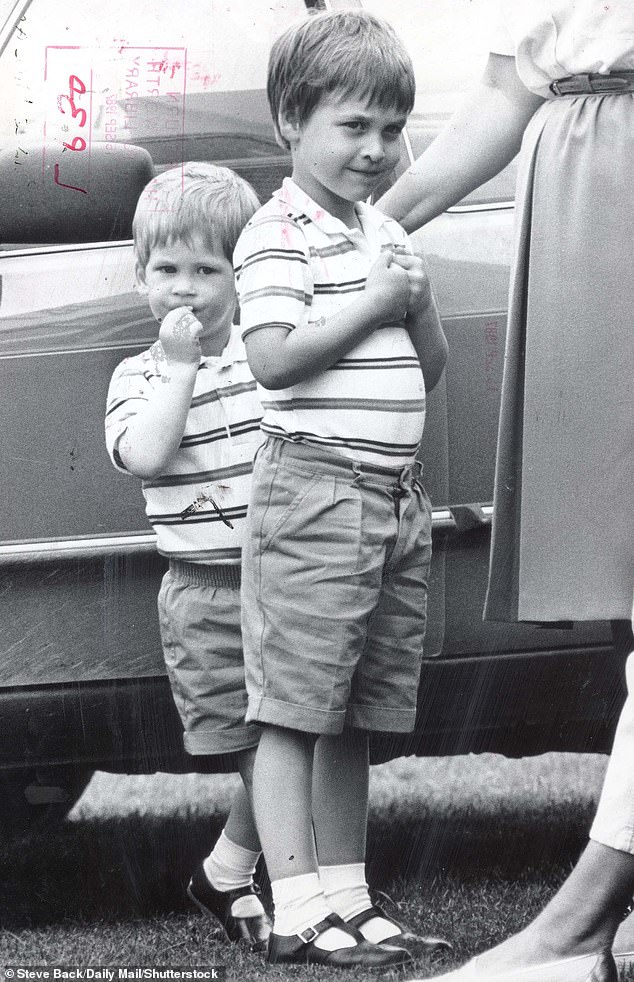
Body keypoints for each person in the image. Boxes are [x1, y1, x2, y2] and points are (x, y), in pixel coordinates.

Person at [376, 1, 634, 979]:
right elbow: (507, 84)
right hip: (582, 204)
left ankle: (573, 930)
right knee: (620, 576)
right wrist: (364, 224)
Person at [232, 8, 449, 970]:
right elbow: (275, 360)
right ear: (291, 120)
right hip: (316, 494)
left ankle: (350, 899)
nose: (376, 148)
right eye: (352, 126)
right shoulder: (276, 232)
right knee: (294, 707)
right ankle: (293, 905)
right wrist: (372, 301)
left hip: (391, 497)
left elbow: (427, 366)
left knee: (357, 709)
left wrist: (417, 299)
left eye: (392, 128)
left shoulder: (385, 228)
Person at [104, 162, 271, 951]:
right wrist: (179, 370)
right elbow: (145, 454)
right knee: (257, 753)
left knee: (294, 743)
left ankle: (230, 872)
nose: (186, 289)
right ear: (141, 279)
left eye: (208, 270)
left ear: (241, 280)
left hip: (280, 581)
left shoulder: (266, 363)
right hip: (205, 593)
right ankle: (284, 883)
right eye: (166, 270)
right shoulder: (138, 375)